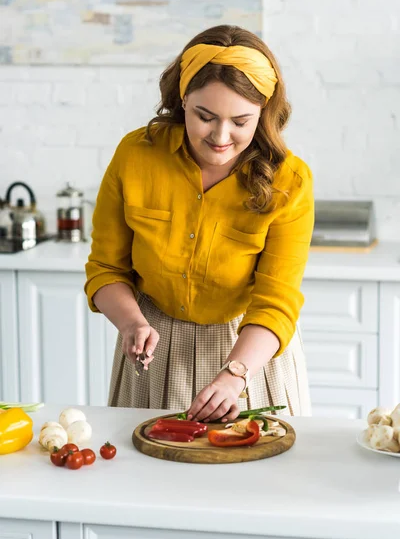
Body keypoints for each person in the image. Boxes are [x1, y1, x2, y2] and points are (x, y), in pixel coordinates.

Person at [84, 24, 314, 423]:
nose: (221, 136)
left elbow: (277, 302)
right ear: (183, 98)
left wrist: (234, 375)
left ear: (263, 114)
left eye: (241, 122)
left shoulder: (289, 180)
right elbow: (105, 269)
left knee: (256, 480)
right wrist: (131, 322)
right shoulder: (135, 156)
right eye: (205, 116)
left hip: (247, 357)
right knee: (148, 479)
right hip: (154, 353)